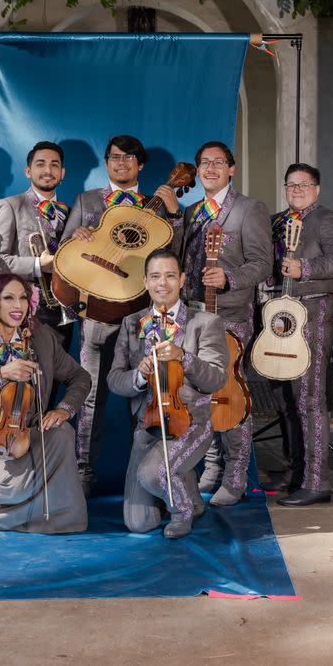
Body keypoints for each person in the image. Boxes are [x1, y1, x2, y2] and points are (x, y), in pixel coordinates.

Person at [60, 135, 182, 496]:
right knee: (91, 395)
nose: (121, 163)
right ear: (107, 162)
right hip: (97, 313)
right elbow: (65, 255)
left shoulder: (157, 204)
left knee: (147, 396)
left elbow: (177, 257)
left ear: (141, 165)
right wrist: (79, 236)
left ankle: (149, 475)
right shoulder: (87, 200)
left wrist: (175, 214)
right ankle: (83, 471)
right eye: (114, 157)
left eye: (129, 158)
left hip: (141, 315)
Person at [170, 141, 272, 506]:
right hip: (192, 317)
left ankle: (236, 474)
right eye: (204, 163)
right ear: (196, 171)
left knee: (232, 395)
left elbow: (263, 264)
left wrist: (229, 278)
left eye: (218, 162)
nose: (210, 168)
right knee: (200, 395)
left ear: (232, 169)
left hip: (230, 317)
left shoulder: (249, 209)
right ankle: (211, 466)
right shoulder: (192, 211)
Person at [0, 273, 91, 533]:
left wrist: (64, 409)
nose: (18, 306)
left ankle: (54, 517)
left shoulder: (43, 339)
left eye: (23, 298)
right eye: (9, 298)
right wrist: (0, 374)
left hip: (27, 434)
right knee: (11, 484)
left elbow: (80, 377)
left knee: (63, 433)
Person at [108, 248, 228, 538]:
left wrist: (183, 356)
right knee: (139, 522)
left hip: (191, 425)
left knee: (152, 474)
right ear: (146, 281)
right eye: (156, 276)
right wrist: (139, 375)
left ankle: (183, 508)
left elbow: (216, 379)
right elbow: (114, 380)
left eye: (170, 276)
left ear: (183, 279)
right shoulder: (132, 323)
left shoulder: (205, 322)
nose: (163, 283)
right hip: (148, 427)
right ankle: (185, 487)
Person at [266, 163, 333, 506]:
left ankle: (317, 481)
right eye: (291, 185)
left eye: (304, 185)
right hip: (279, 318)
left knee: (309, 399)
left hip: (314, 314)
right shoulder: (277, 221)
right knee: (285, 401)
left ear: (317, 189)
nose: (297, 190)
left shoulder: (327, 218)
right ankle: (296, 470)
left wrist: (307, 268)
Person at [0, 141, 72, 346]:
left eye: (54, 165)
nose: (48, 170)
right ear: (28, 171)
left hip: (61, 310)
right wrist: (38, 265)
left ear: (62, 173)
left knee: (55, 374)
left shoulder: (69, 212)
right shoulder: (10, 205)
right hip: (24, 309)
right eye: (40, 164)